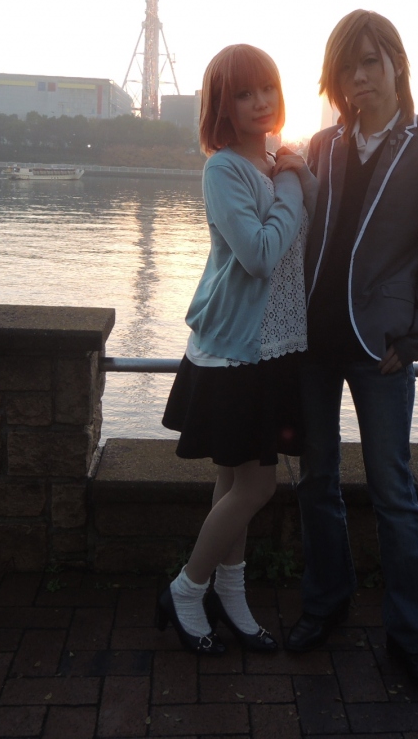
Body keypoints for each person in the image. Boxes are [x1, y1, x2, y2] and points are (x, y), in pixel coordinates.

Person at [286, 10, 418, 697]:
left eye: (369, 61)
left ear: (396, 62)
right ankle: (326, 604)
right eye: (345, 67)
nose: (358, 77)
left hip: (381, 348)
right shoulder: (323, 145)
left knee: (394, 492)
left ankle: (413, 639)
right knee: (315, 480)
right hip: (313, 342)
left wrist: (416, 338)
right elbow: (305, 236)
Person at [157, 43, 317, 656]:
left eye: (267, 88)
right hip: (235, 352)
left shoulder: (278, 161)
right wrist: (292, 185)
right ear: (222, 106)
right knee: (257, 487)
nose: (260, 102)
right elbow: (259, 254)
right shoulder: (224, 169)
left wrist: (296, 172)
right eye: (244, 93)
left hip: (274, 346)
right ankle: (186, 589)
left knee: (232, 482)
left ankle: (230, 593)